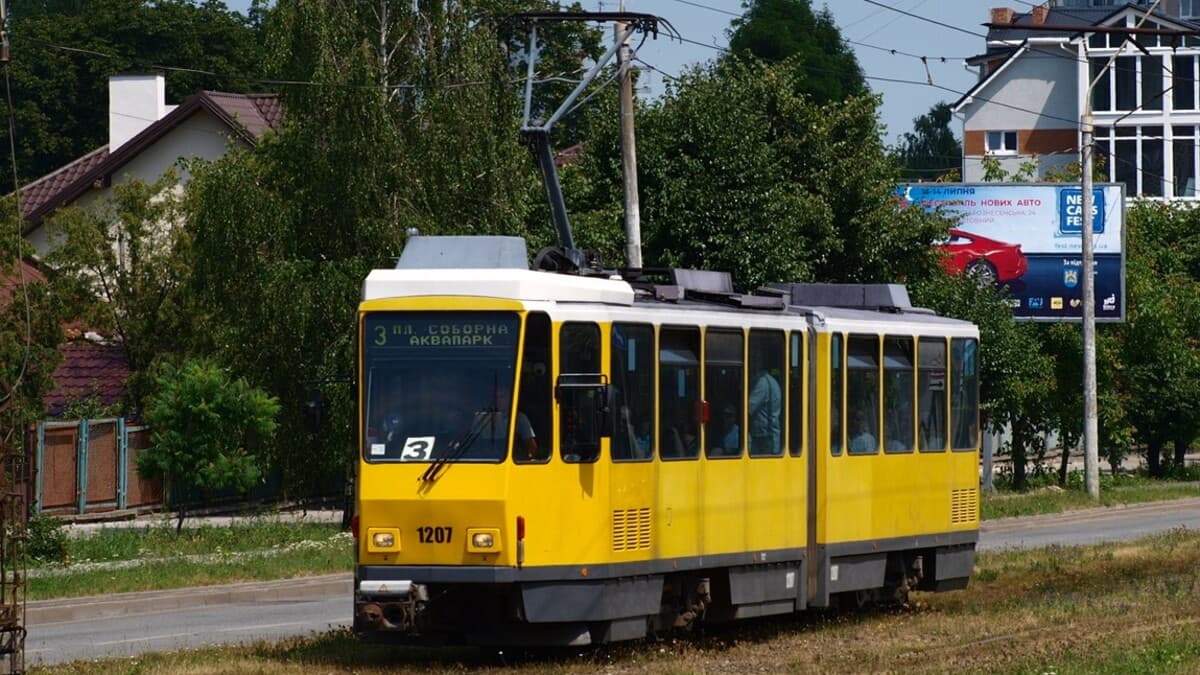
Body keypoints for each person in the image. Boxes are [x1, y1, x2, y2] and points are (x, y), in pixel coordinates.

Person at [749, 367, 782, 454]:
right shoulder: (772, 381)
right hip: (770, 437)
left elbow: (749, 408)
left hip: (764, 439)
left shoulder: (762, 383)